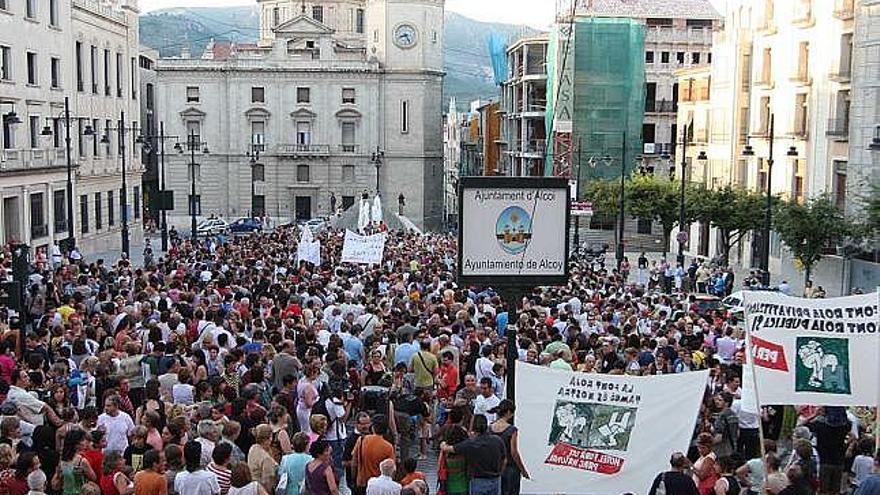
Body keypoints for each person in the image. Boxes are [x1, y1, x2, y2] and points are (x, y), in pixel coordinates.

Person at [440, 415, 506, 495]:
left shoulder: (471, 444)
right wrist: (499, 473)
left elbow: (448, 448)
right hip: (495, 480)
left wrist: (443, 443)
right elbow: (504, 460)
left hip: (478, 481)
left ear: (473, 427)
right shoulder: (498, 440)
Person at [488, 400, 530, 495]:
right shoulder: (511, 430)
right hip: (510, 468)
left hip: (495, 467)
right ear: (508, 412)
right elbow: (514, 452)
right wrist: (523, 470)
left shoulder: (490, 428)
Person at [352, 417, 395, 495]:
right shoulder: (388, 447)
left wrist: (354, 479)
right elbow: (392, 469)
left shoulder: (362, 440)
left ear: (373, 427)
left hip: (362, 482)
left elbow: (354, 463)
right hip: (377, 486)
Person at [247, 425, 277, 493]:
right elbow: (267, 483)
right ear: (269, 438)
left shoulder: (253, 448)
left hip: (252, 488)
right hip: (261, 490)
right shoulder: (266, 458)